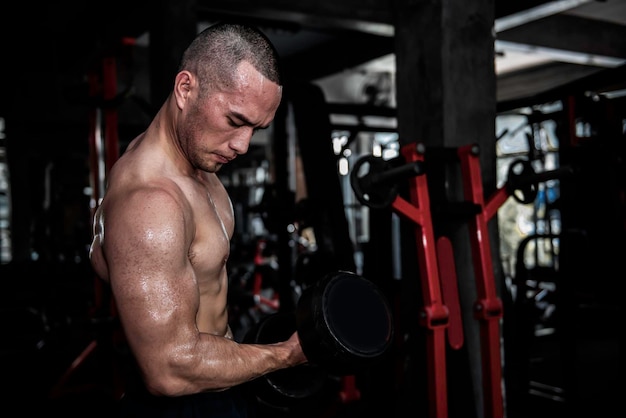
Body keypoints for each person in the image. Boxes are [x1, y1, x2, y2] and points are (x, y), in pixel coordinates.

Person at [88, 22, 308, 417]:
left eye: (256, 129)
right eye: (235, 120)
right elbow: (169, 369)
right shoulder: (151, 203)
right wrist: (285, 355)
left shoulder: (199, 161)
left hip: (217, 384)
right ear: (185, 89)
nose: (242, 145)